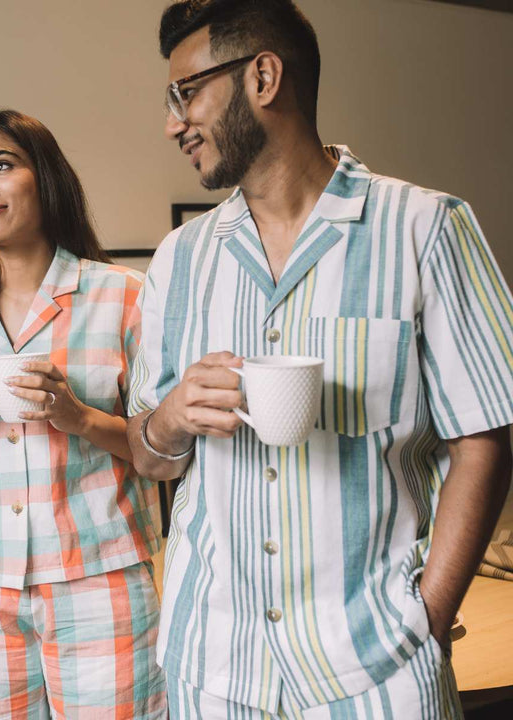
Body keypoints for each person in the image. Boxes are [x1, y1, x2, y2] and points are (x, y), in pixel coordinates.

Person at [126, 1, 513, 718]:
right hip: (211, 669)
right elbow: (149, 455)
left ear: (263, 76)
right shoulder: (180, 259)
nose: (172, 123)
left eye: (186, 93)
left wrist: (427, 620)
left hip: (374, 672)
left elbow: (485, 440)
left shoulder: (426, 229)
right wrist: (170, 418)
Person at [0, 110, 166, 719]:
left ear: (45, 178)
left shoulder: (126, 296)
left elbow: (163, 454)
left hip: (103, 581)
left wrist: (79, 416)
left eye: (1, 166)